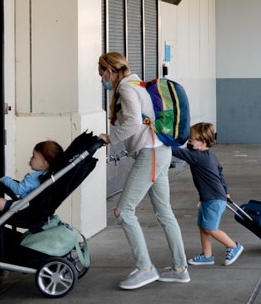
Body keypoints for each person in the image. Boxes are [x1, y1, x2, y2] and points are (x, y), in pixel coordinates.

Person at [98, 52, 189, 290]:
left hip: (150, 154)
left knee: (123, 211)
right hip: (159, 152)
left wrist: (110, 138)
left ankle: (145, 268)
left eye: (101, 73)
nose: (101, 79)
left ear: (109, 70)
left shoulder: (127, 90)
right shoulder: (136, 85)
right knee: (164, 212)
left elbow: (133, 123)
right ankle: (180, 269)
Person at [170, 122, 244, 267]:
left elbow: (176, 151)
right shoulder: (210, 155)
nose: (188, 143)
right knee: (203, 226)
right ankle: (207, 255)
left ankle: (233, 246)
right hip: (210, 198)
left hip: (214, 200)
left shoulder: (197, 156)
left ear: (202, 143)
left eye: (191, 141)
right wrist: (225, 191)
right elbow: (220, 173)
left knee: (210, 228)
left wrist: (160, 141)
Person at [0, 140, 64, 217]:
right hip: (32, 207)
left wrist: (5, 179)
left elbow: (18, 189)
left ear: (43, 164)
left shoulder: (36, 178)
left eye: (33, 156)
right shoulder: (50, 177)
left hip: (24, 208)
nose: (30, 159)